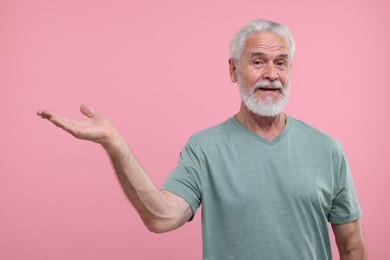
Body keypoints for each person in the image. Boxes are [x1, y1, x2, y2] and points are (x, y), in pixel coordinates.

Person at [37, 19, 367, 259]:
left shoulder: (327, 150)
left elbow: (352, 247)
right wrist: (115, 144)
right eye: (258, 62)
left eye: (280, 63)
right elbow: (161, 216)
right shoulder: (204, 149)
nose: (271, 74)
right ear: (233, 70)